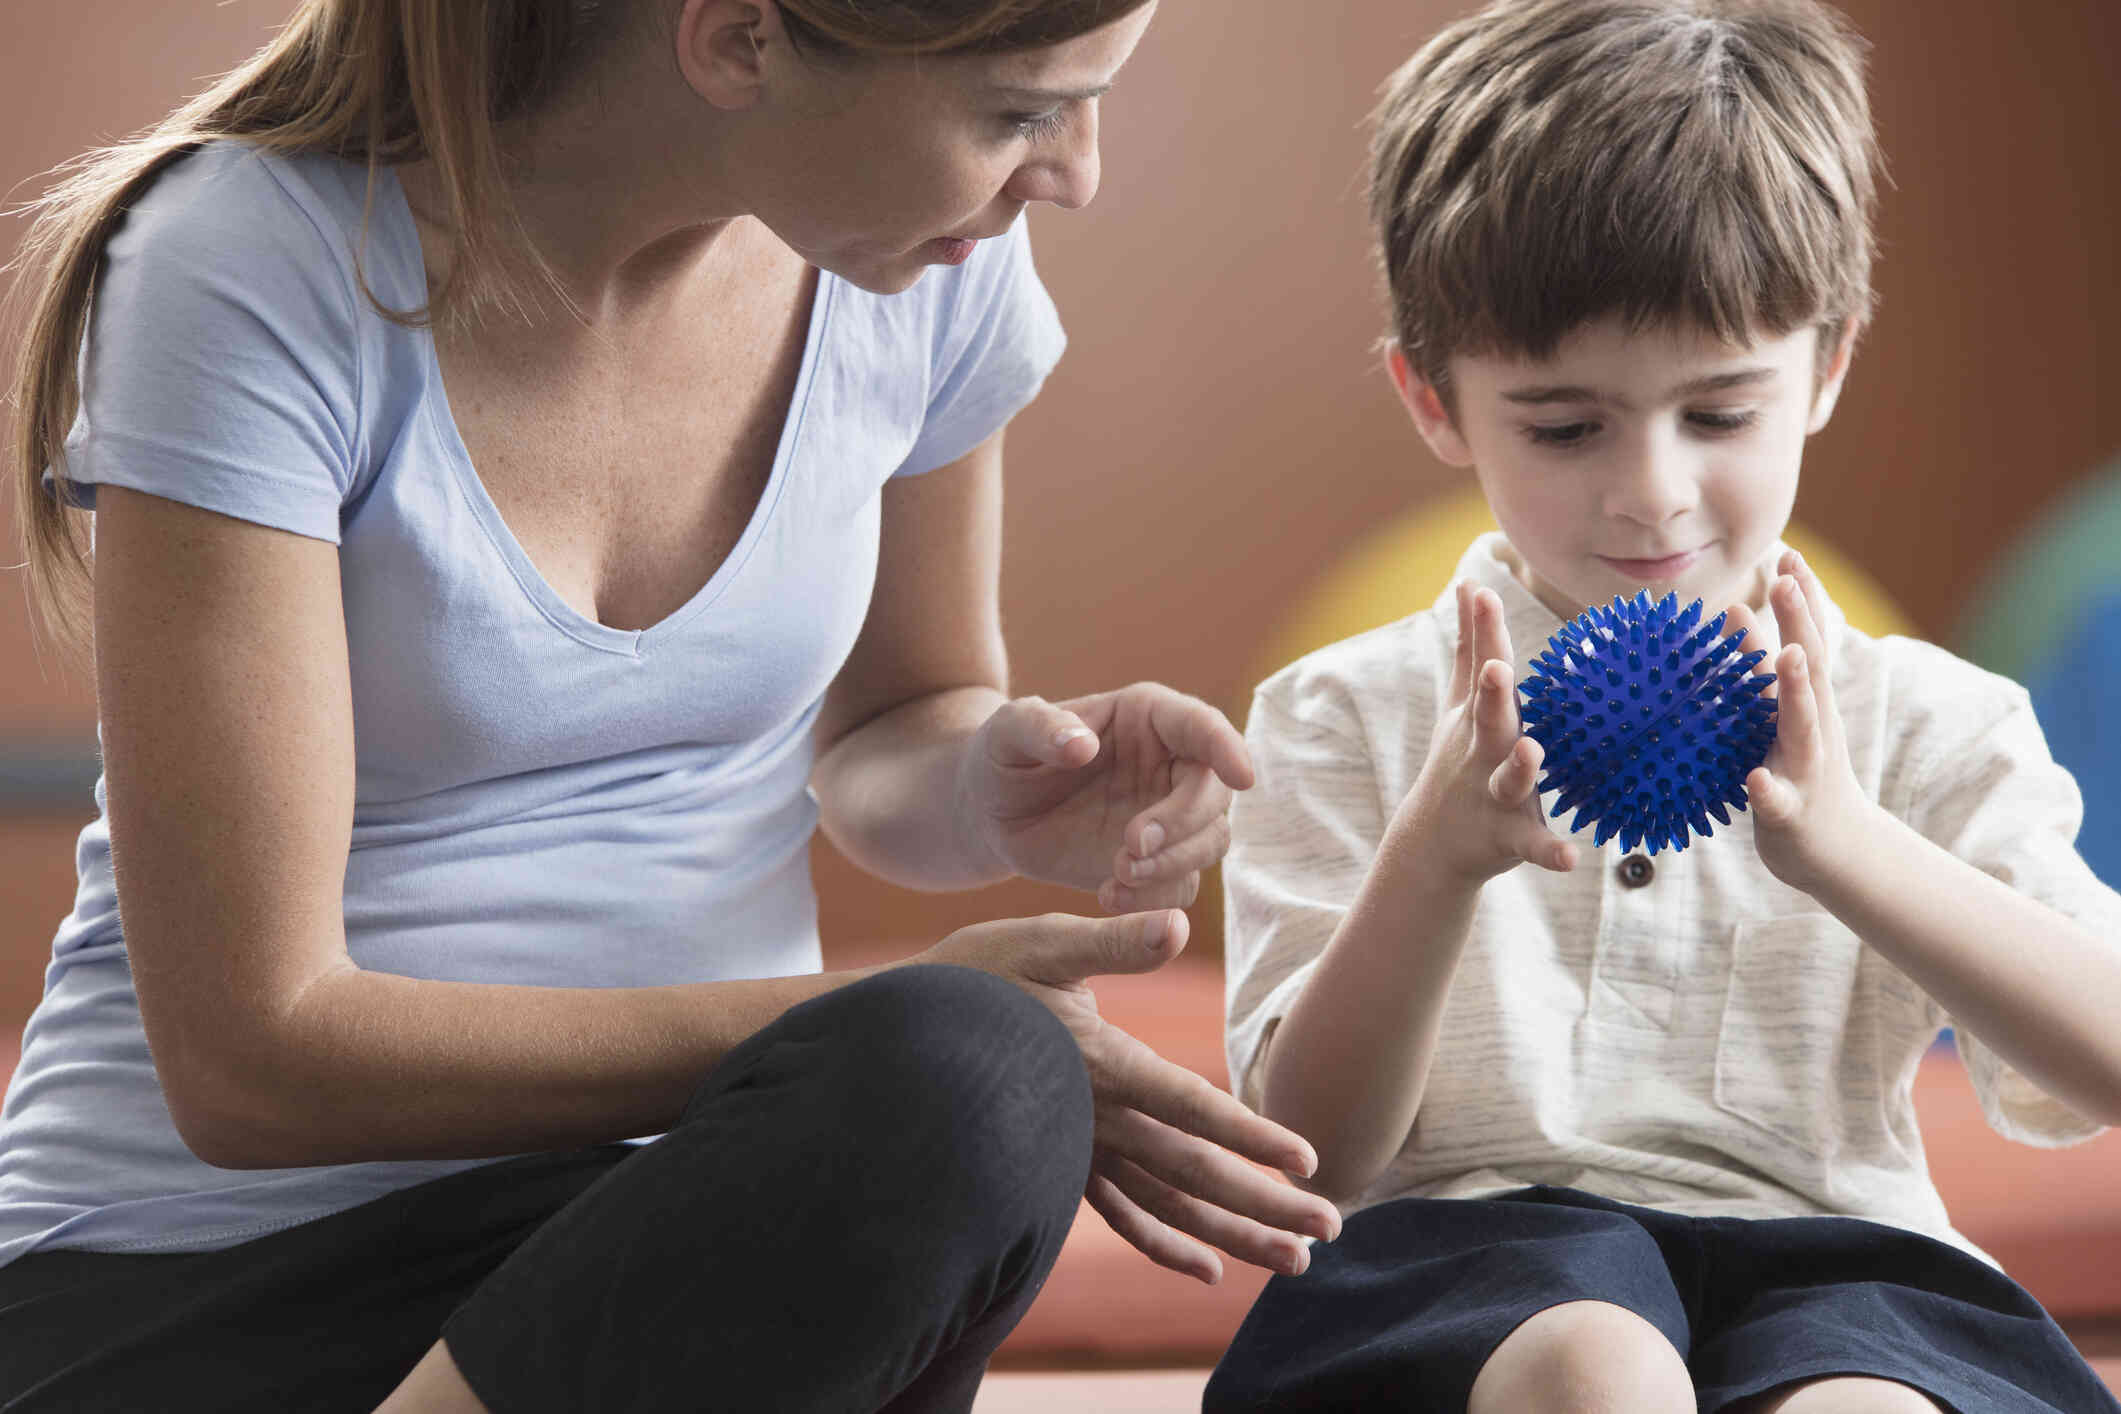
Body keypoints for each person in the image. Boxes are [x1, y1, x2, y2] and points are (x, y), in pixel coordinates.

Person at [0, 1, 1343, 1410]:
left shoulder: (921, 272)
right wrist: (871, 1020)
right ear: (739, 37)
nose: (1072, 173)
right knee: (974, 1062)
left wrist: (983, 781)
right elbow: (248, 1056)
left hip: (664, 1244)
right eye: (1017, 112)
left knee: (966, 1082)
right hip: (217, 1288)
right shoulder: (248, 262)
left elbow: (910, 712)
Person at [1208, 1, 2121, 1410]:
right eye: (1564, 425)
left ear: (1823, 366)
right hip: (1466, 1261)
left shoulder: (1933, 719)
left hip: (1843, 1259)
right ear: (1433, 400)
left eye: (1716, 412)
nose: (1649, 491)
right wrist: (1433, 856)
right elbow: (1302, 1166)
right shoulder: (1341, 715)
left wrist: (1852, 849)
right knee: (1597, 1363)